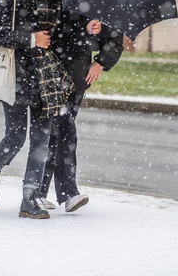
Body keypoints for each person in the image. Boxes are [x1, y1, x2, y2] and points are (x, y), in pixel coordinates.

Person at [0, 0, 73, 220]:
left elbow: (62, 34)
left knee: (42, 139)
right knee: (16, 136)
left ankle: (29, 198)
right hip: (18, 74)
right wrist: (31, 39)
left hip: (47, 77)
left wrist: (91, 29)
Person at [36, 11, 124, 212]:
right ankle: (59, 193)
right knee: (59, 131)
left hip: (77, 77)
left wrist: (101, 61)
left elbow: (114, 40)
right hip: (50, 74)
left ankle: (43, 192)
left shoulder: (101, 4)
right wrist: (83, 31)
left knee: (59, 133)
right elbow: (53, 35)